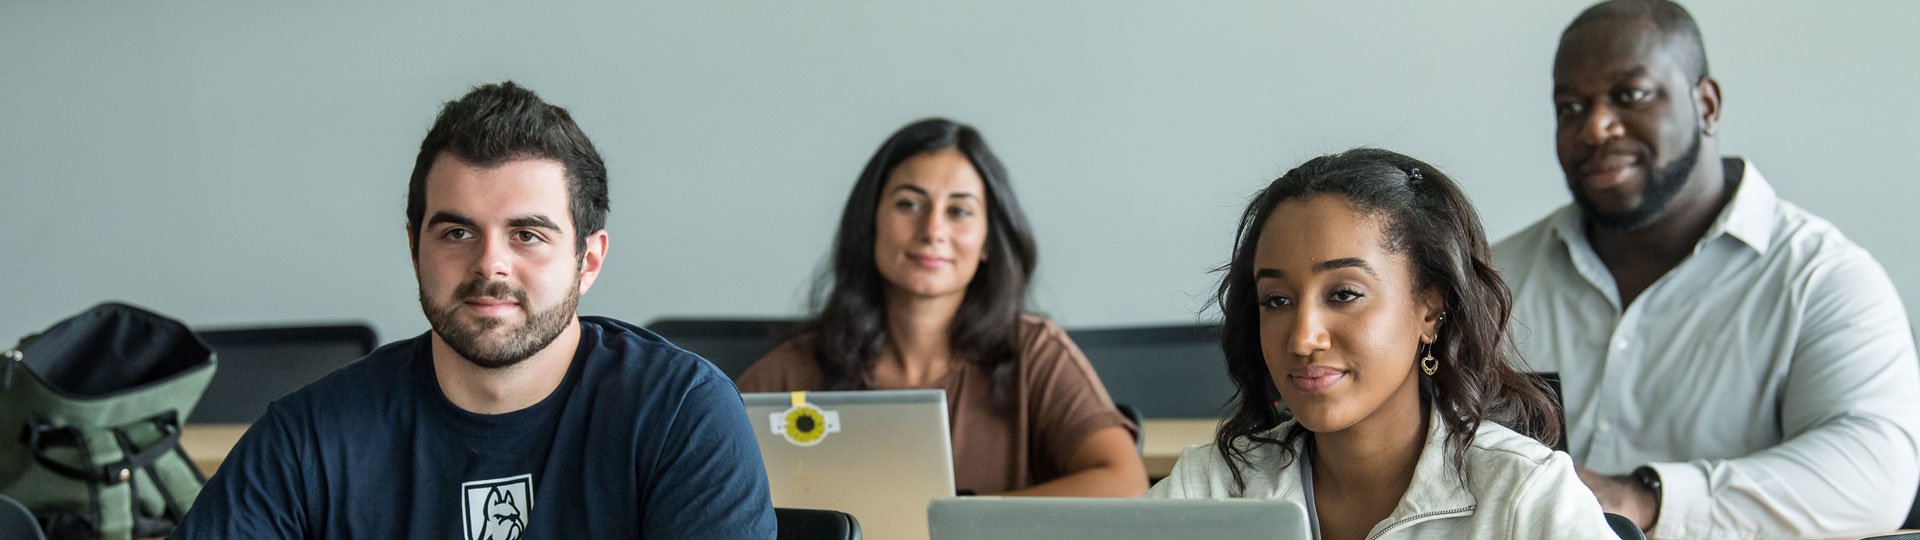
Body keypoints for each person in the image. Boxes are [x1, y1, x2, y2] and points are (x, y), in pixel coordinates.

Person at [171, 82, 776, 539]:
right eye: (457, 233)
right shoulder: (310, 437)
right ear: (415, 249)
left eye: (528, 235)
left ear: (588, 261)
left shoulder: (678, 412)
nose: (491, 266)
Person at [1495, 1, 1920, 537]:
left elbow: (1874, 477)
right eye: (1571, 107)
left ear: (1708, 105)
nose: (1596, 128)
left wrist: (1642, 498)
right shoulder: (1494, 277)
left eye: (1630, 95)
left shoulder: (1823, 279)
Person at [1146, 148, 1616, 540]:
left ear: (1429, 311)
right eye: (1277, 300)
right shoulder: (1208, 488)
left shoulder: (1524, 497)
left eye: (1344, 294)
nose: (1304, 338)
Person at [736, 118, 1146, 497]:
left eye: (959, 211)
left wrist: (953, 523)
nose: (932, 230)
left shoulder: (1033, 353)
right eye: (908, 204)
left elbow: (1126, 483)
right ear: (871, 221)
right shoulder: (796, 369)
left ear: (987, 241)